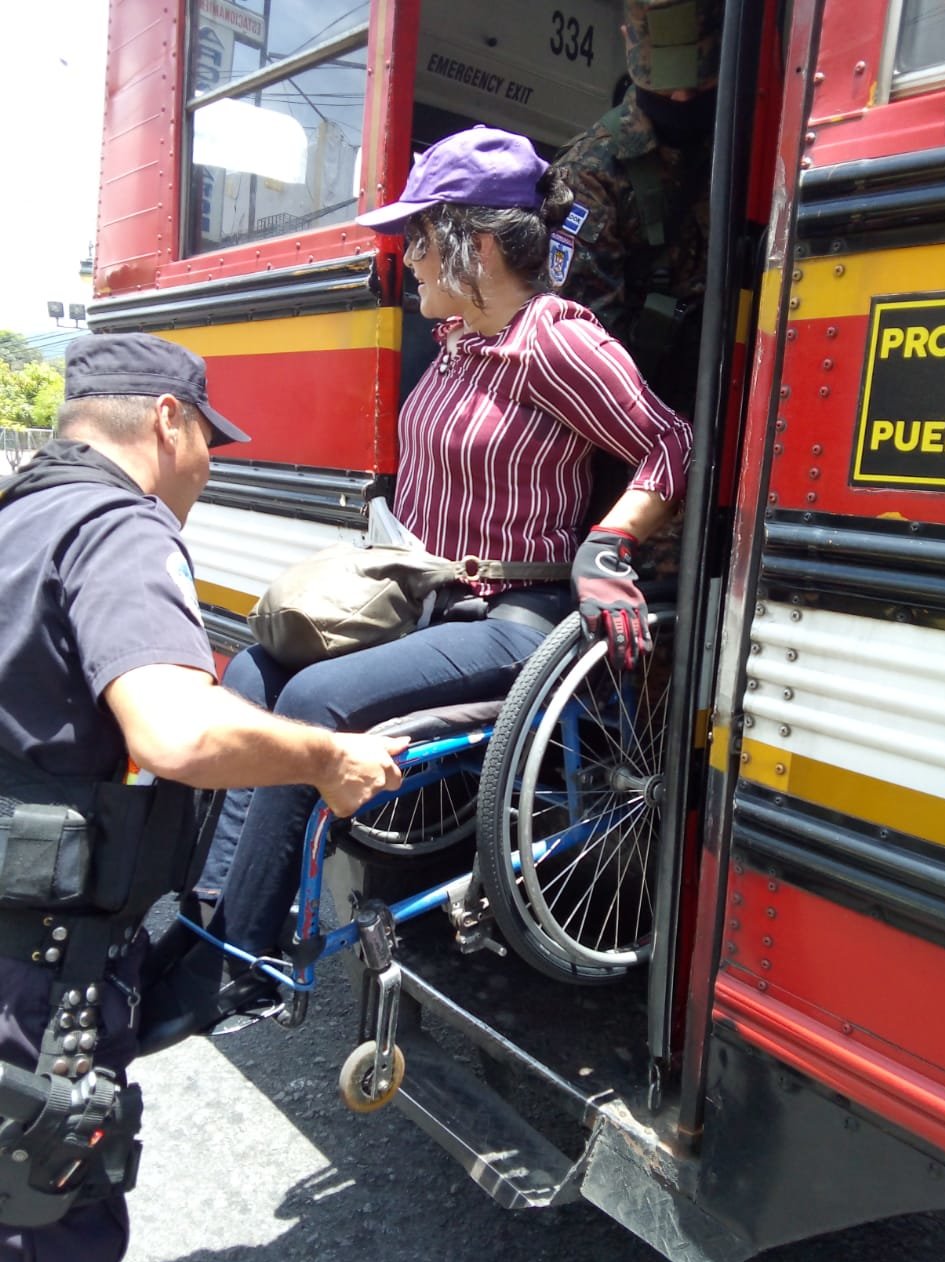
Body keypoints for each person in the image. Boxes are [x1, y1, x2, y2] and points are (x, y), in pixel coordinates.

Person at [165, 124, 693, 1018]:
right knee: (252, 671)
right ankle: (207, 916)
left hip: (513, 613)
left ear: (475, 246)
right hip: (431, 598)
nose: (406, 258)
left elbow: (669, 444)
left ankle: (241, 961)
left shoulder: (554, 342)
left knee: (312, 701)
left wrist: (609, 544)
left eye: (419, 238)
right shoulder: (456, 341)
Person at [0, 333, 406, 1262]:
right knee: (42, 1228)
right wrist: (327, 757)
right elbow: (177, 731)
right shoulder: (120, 529)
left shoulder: (20, 515)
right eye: (209, 444)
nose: (209, 469)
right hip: (39, 971)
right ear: (167, 421)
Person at [550, 0, 721, 418]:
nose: (681, 98)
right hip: (638, 409)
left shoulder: (742, 137)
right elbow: (585, 347)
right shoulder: (592, 170)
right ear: (627, 43)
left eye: (699, 84)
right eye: (664, 85)